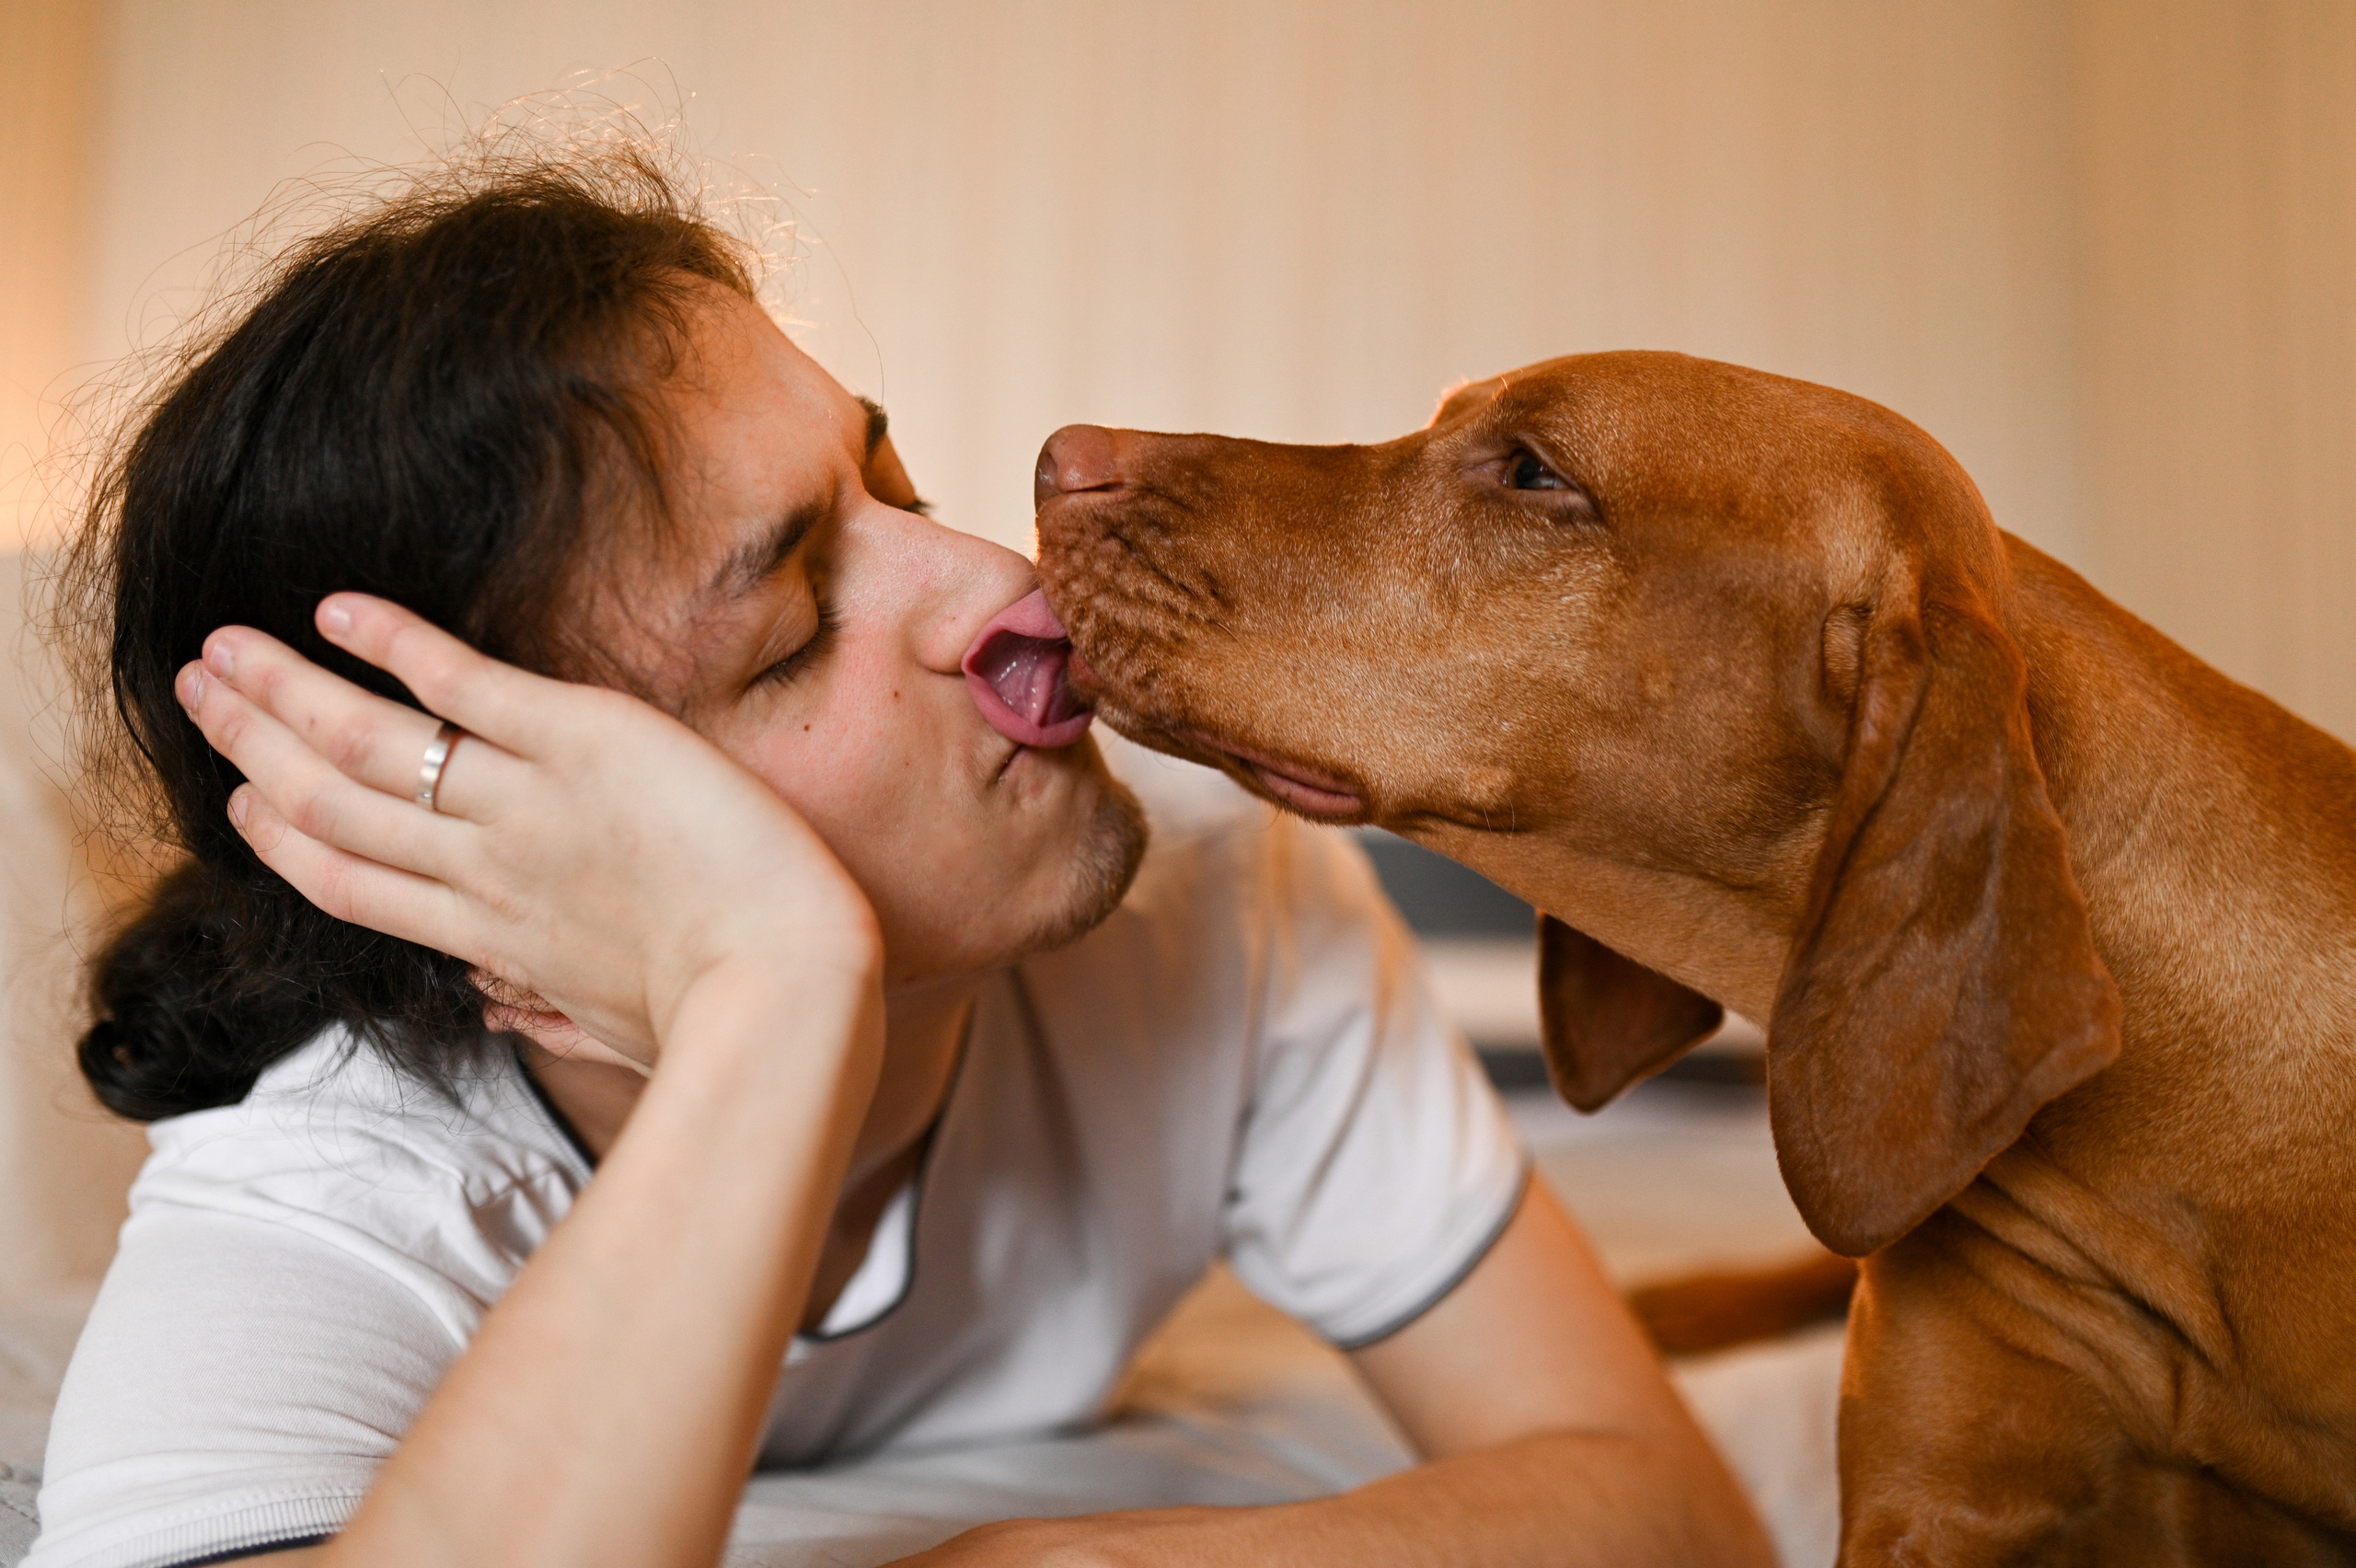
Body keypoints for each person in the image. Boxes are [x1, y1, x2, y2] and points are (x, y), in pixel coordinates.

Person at [27, 143, 1772, 1568]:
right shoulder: (344, 1196)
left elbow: (1661, 1504)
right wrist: (773, 994)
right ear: (497, 887)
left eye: (898, 479)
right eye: (791, 630)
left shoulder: (1213, 879)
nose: (1001, 587)